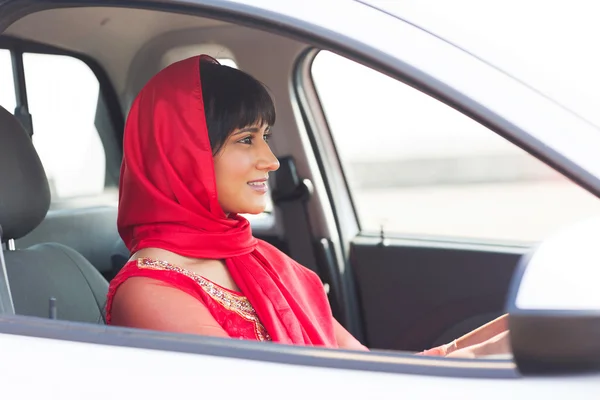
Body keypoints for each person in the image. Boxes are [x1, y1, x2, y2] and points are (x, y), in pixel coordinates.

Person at [106, 55, 510, 357]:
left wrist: (498, 343)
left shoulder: (259, 259)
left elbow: (366, 373)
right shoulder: (150, 293)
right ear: (180, 155)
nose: (271, 160)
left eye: (265, 136)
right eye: (246, 139)